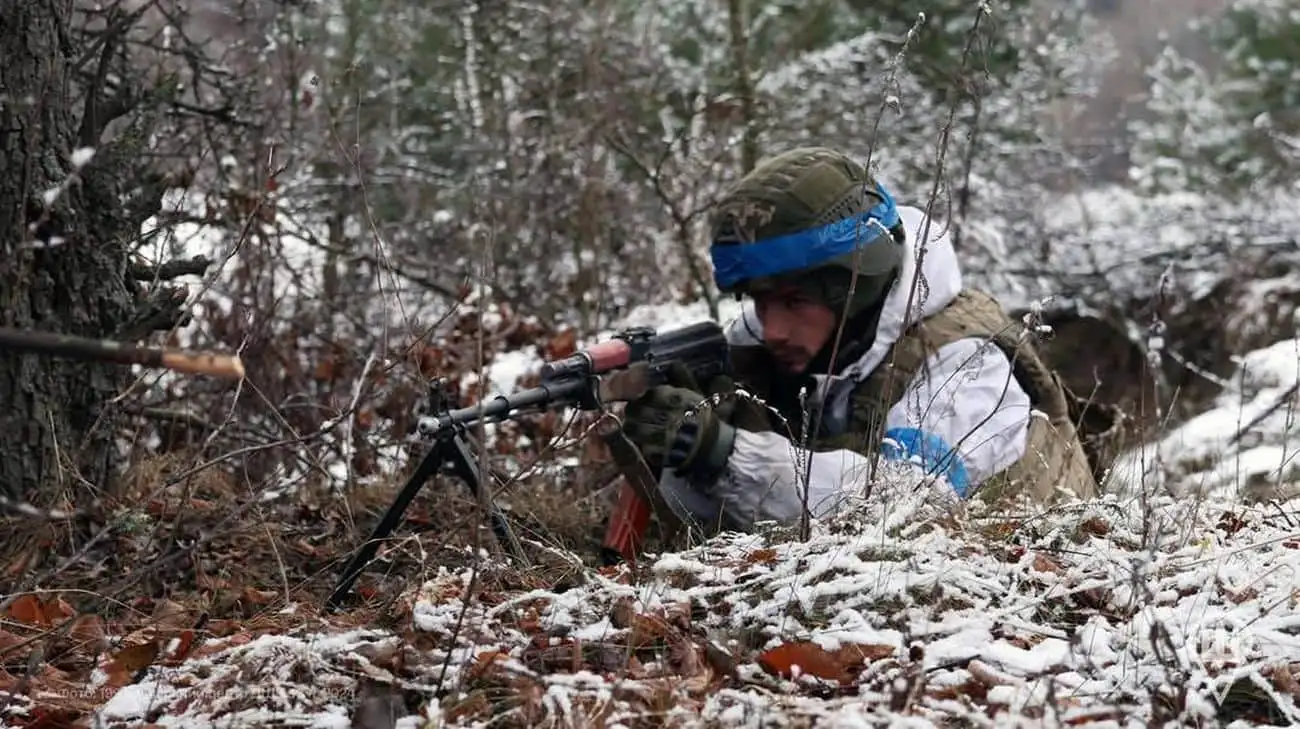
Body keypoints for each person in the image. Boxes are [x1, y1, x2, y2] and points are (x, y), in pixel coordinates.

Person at [621, 146, 1103, 534]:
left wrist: (722, 452)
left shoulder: (967, 364)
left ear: (854, 286)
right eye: (760, 302)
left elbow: (902, 508)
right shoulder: (773, 342)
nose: (772, 330)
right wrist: (676, 439)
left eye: (793, 302)